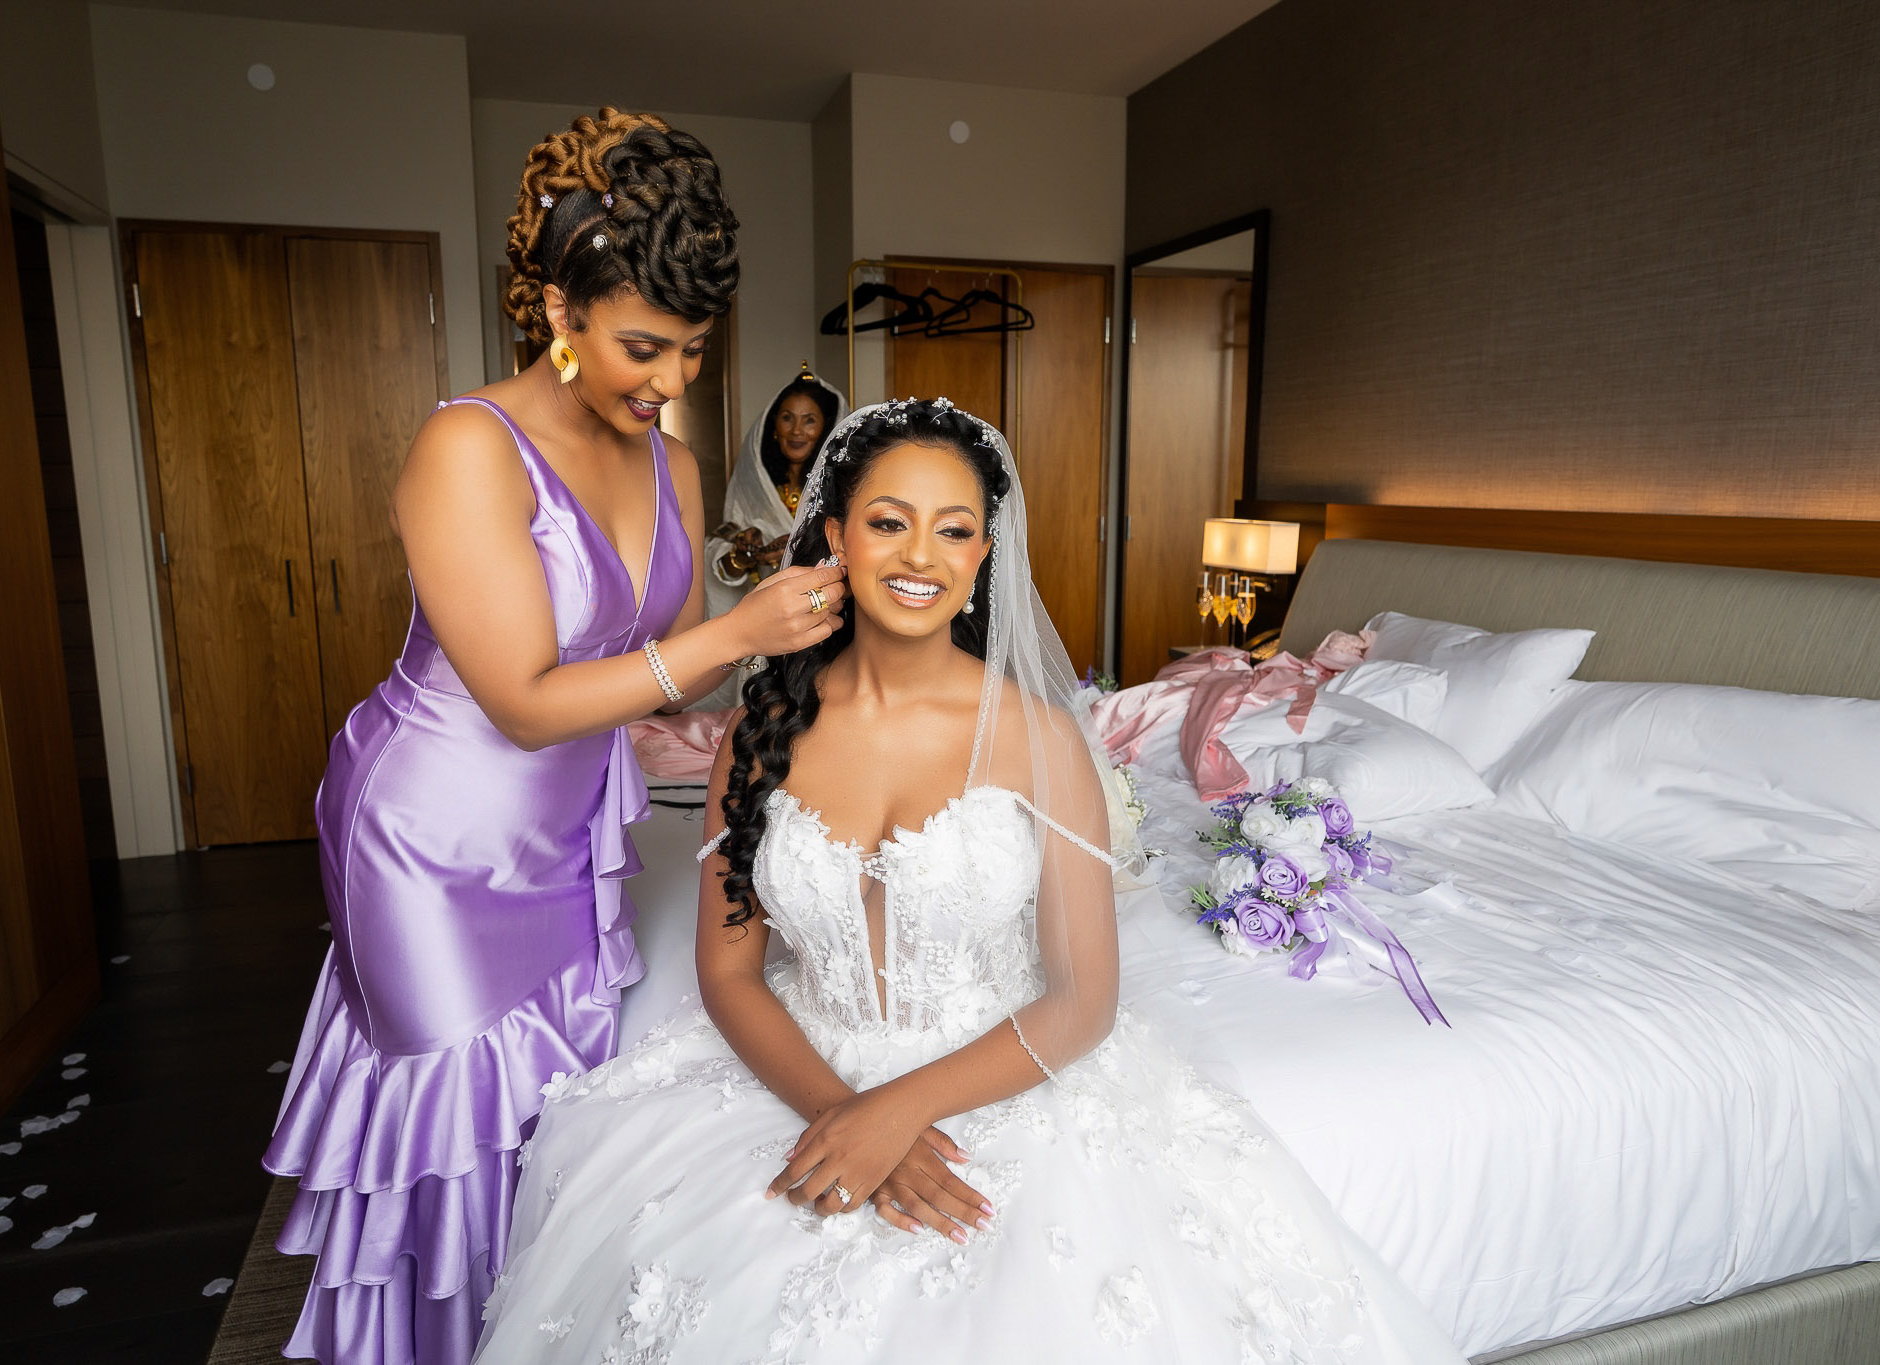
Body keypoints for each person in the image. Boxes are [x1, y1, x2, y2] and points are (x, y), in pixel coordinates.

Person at [471, 399, 1466, 1364]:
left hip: (997, 1068)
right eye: (887, 523)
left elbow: (1082, 1000)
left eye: (953, 530)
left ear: (984, 553)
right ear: (835, 536)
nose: (920, 557)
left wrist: (896, 1111)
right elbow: (730, 973)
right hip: (802, 1063)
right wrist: (840, 1112)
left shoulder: (1038, 739)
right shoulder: (756, 732)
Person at [261, 108, 847, 1365]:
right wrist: (734, 632)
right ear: (555, 309)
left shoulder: (673, 465)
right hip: (431, 840)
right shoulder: (467, 447)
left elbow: (662, 681)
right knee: (450, 1131)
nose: (671, 381)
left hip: (571, 834)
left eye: (693, 350)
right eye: (643, 346)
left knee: (543, 1119)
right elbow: (524, 700)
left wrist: (795, 657)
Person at [692, 366, 845, 708]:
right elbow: (724, 552)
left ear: (825, 428)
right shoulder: (756, 488)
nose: (796, 430)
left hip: (823, 625)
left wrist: (798, 550)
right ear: (773, 426)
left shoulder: (838, 488)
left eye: (809, 420)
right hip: (764, 622)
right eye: (787, 418)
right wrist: (746, 552)